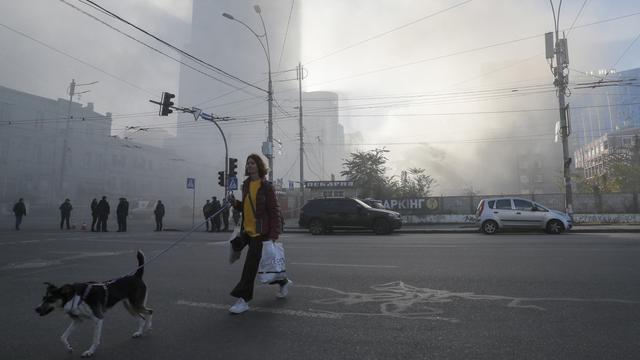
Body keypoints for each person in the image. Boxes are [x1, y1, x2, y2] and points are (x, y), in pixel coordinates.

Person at [228, 154, 291, 314]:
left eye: (252, 163)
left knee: (250, 266)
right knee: (263, 262)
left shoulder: (266, 186)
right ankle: (283, 281)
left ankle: (243, 300)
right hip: (247, 230)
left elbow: (274, 211)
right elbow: (246, 207)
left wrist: (273, 235)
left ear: (259, 166)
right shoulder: (246, 184)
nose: (249, 166)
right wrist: (235, 204)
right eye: (248, 163)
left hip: (260, 233)